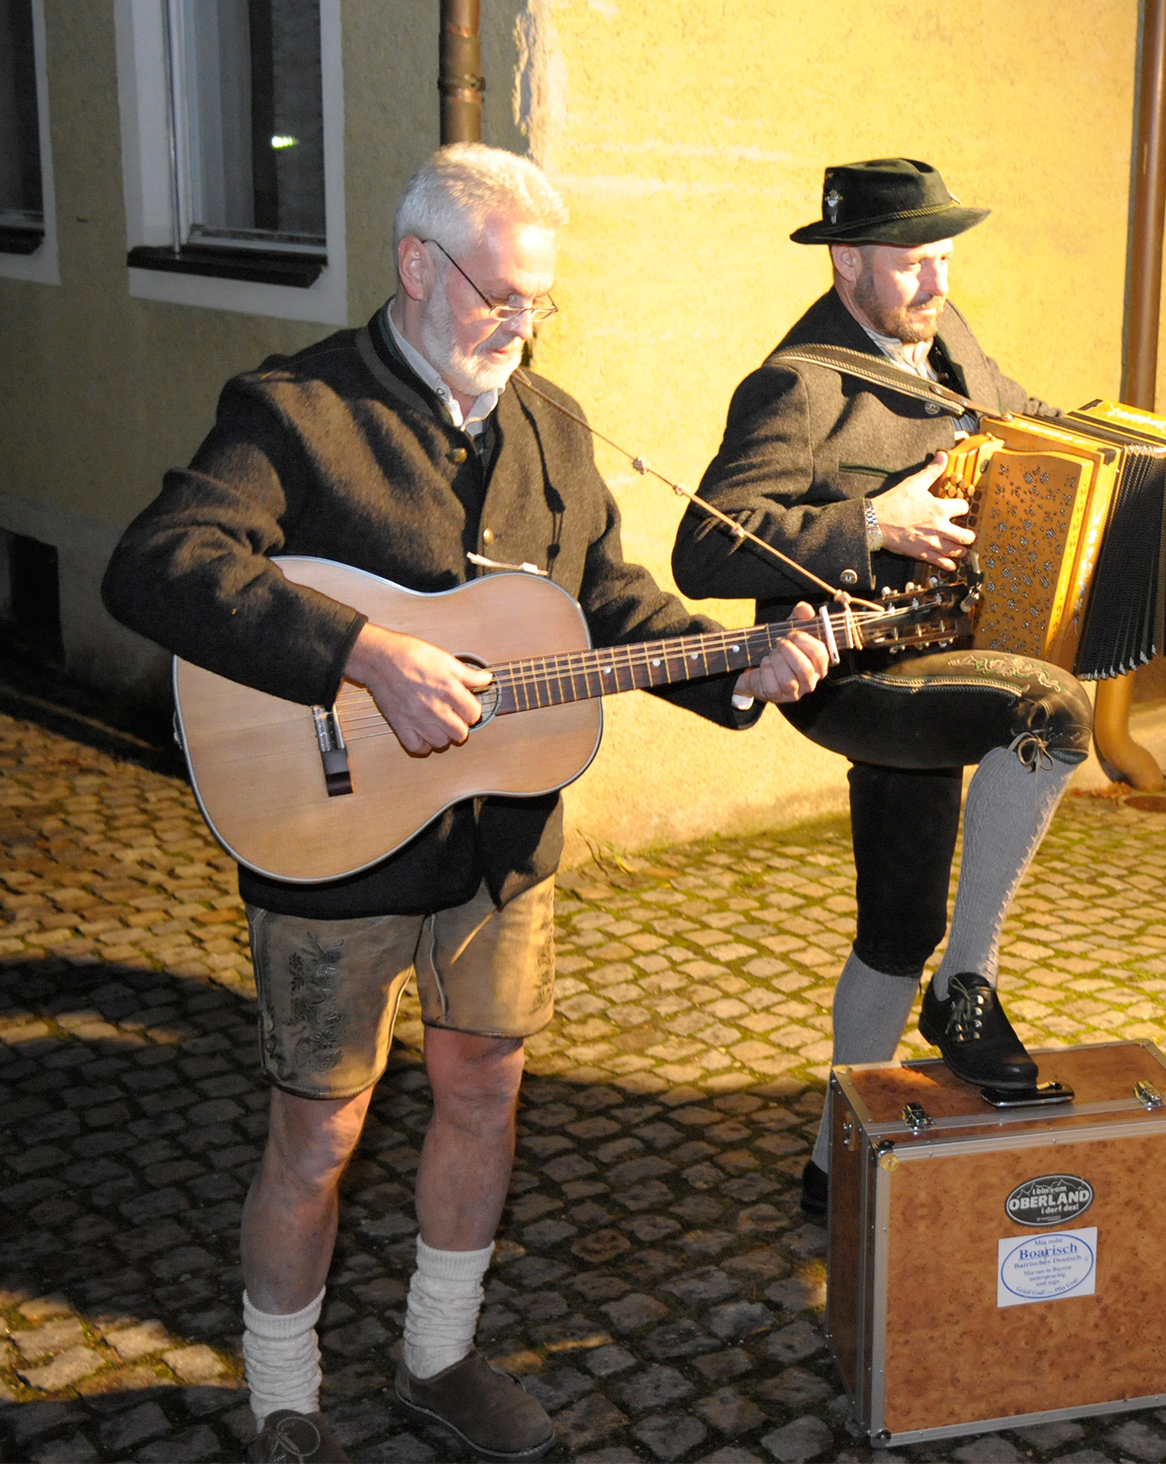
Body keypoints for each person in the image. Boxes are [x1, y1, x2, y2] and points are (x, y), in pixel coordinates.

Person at [102, 144, 830, 1464]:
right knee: (317, 1133)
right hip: (331, 843)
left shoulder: (547, 422)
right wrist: (362, 655)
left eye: (541, 302)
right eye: (502, 297)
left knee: (483, 1095)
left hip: (501, 841)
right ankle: (282, 1392)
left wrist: (742, 668)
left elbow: (600, 600)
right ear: (416, 267)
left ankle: (439, 1355)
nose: (523, 326)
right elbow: (160, 565)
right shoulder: (297, 411)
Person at [670, 159, 1092, 1214]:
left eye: (946, 258)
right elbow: (703, 551)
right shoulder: (797, 386)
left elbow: (1017, 416)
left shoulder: (943, 340)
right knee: (1043, 708)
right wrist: (872, 525)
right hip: (846, 669)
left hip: (948, 652)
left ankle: (831, 1160)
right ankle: (969, 985)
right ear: (848, 260)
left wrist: (1122, 441)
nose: (935, 283)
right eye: (912, 262)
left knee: (894, 921)